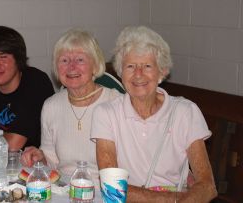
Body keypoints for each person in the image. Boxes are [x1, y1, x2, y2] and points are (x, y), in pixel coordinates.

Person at [91, 26, 217, 202]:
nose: (138, 74)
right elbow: (112, 189)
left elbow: (208, 186)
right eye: (130, 66)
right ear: (121, 72)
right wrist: (171, 199)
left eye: (147, 66)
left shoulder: (185, 112)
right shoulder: (106, 114)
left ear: (162, 72)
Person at [21, 29, 121, 184]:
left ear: (95, 65)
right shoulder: (51, 106)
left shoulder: (116, 102)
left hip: (106, 192)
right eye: (64, 60)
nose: (71, 67)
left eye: (80, 60)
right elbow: (51, 159)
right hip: (63, 190)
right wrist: (40, 156)